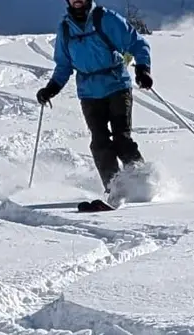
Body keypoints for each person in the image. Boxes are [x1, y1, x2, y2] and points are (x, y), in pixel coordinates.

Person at [36, 0, 153, 206]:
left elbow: (137, 43)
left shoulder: (104, 19)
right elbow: (64, 65)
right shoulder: (65, 28)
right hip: (89, 93)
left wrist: (143, 68)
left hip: (116, 85)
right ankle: (114, 189)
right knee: (99, 142)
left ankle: (143, 183)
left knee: (121, 138)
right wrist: (51, 88)